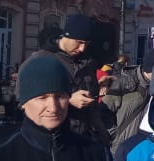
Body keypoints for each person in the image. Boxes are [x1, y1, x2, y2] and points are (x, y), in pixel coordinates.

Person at [32, 13, 112, 146]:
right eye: (79, 42)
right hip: (53, 140)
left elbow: (93, 102)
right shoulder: (41, 60)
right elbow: (27, 102)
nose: (82, 48)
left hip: (84, 139)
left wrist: (102, 87)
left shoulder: (89, 62)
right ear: (67, 35)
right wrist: (68, 100)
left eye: (86, 43)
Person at [102, 48, 154, 152]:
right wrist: (114, 134)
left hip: (146, 146)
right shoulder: (123, 82)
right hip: (121, 144)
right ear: (149, 69)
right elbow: (105, 110)